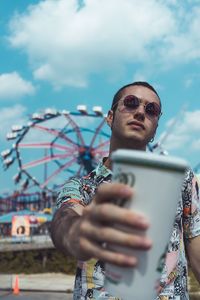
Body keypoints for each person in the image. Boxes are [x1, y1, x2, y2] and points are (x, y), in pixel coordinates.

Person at [51, 82, 200, 300]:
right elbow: (64, 224)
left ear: (156, 128)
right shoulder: (81, 187)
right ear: (110, 117)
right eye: (131, 103)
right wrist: (81, 231)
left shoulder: (181, 179)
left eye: (152, 110)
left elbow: (196, 247)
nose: (140, 112)